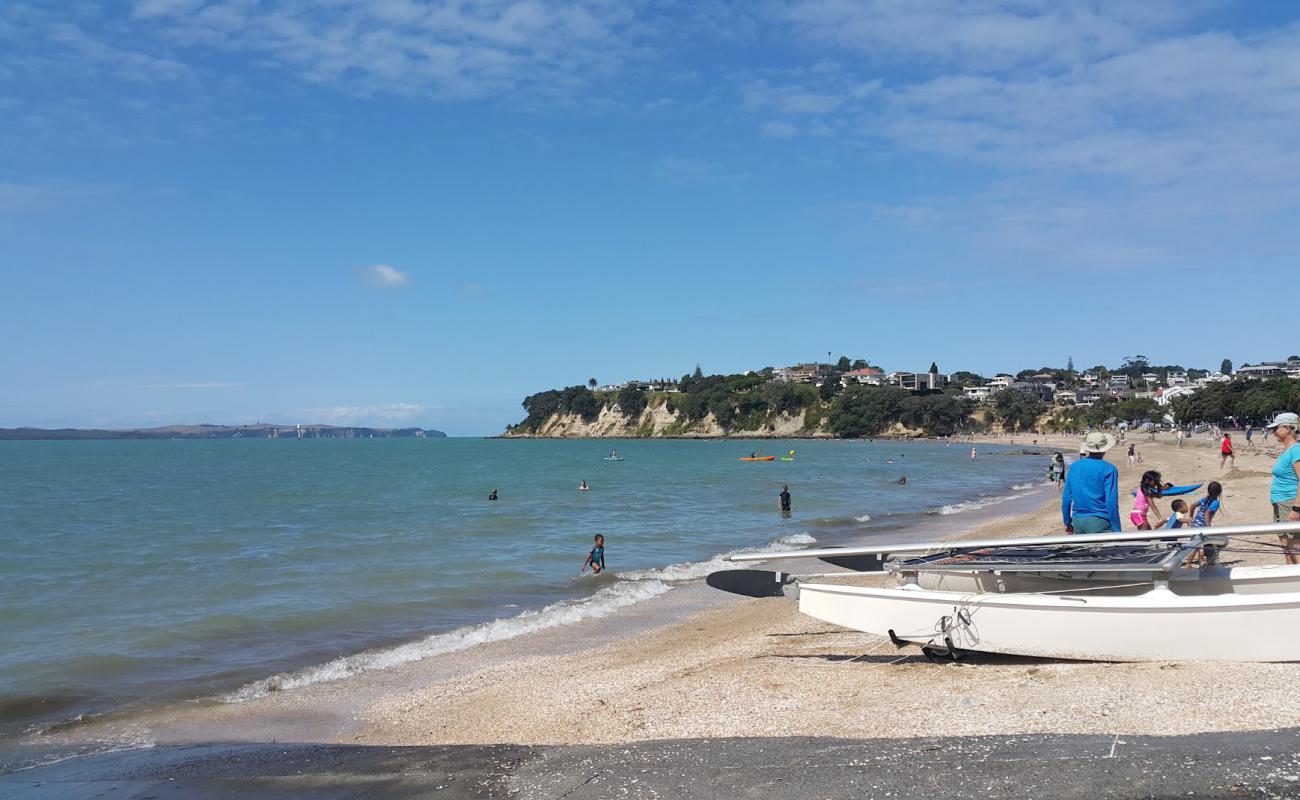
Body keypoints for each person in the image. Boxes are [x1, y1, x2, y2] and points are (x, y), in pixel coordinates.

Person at [1062, 432, 1122, 533]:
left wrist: (1067, 522)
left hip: (1078, 521)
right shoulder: (1109, 469)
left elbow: (1066, 499)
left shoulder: (1074, 467)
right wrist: (1117, 529)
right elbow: (1111, 502)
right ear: (1105, 448)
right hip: (1100, 520)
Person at [1265, 412, 1300, 563]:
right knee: (1286, 548)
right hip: (1280, 503)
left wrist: (1296, 508)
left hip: (1289, 503)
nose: (1273, 432)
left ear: (1287, 428)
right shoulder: (1286, 450)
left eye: (1276, 428)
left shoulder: (1296, 450)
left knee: (1295, 548)